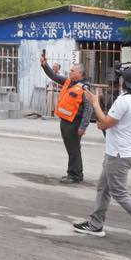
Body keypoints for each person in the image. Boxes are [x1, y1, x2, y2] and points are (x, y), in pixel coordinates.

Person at [72, 69, 131, 249]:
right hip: (124, 151)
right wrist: (106, 123)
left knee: (119, 193)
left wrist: (95, 103)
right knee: (103, 187)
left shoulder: (123, 100)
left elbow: (105, 121)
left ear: (124, 84)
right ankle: (95, 224)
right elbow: (125, 124)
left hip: (119, 154)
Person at [41, 52, 96, 184]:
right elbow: (53, 76)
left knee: (73, 149)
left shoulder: (85, 87)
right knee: (73, 149)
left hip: (75, 123)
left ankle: (74, 175)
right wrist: (44, 65)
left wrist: (83, 127)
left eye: (72, 71)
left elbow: (89, 109)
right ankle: (77, 173)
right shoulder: (69, 82)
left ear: (80, 73)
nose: (70, 72)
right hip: (66, 122)